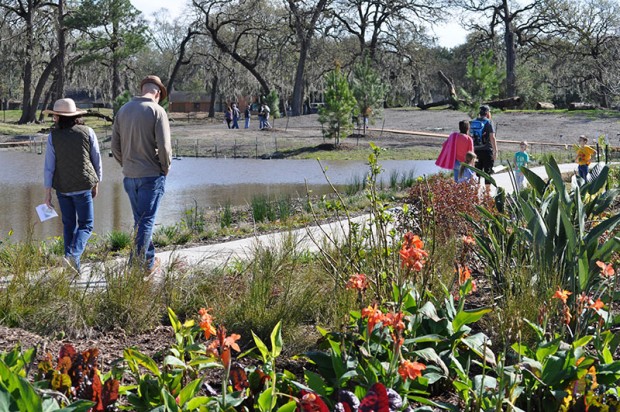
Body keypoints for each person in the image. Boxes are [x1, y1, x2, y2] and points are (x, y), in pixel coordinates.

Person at [112, 75, 172, 275]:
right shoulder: (157, 111)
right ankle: (136, 267)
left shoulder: (123, 110)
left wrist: (126, 164)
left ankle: (148, 262)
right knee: (146, 222)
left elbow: (115, 147)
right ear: (157, 93)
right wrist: (165, 167)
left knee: (140, 221)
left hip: (130, 176)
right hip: (151, 175)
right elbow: (164, 146)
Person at [43, 98, 102, 272]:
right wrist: (96, 182)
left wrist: (47, 193)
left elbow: (49, 167)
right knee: (86, 225)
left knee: (69, 225)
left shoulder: (53, 136)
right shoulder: (88, 132)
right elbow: (96, 159)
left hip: (63, 188)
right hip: (84, 185)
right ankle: (73, 256)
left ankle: (71, 267)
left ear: (58, 117)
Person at [472, 105, 498, 186]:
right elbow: (492, 137)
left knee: (477, 174)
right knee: (487, 173)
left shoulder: (474, 122)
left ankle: (476, 194)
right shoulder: (489, 122)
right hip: (487, 150)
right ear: (487, 113)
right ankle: (487, 194)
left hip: (476, 151)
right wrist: (495, 151)